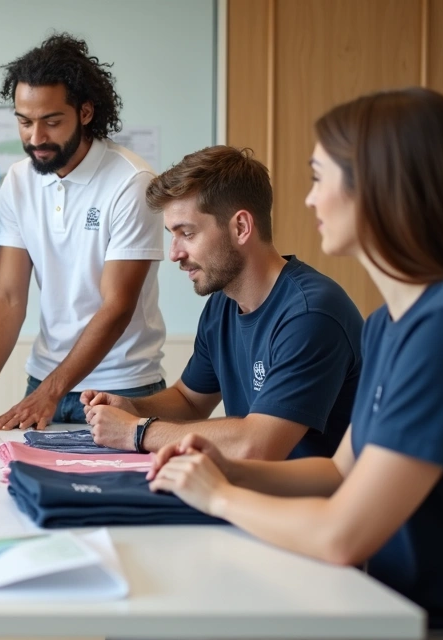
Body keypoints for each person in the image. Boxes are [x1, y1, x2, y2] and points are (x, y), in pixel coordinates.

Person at [148, 88, 443, 635]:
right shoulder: (390, 323)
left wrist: (220, 495)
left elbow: (342, 536)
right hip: (386, 606)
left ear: (382, 187)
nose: (309, 200)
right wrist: (226, 467)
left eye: (319, 178)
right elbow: (339, 472)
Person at [0, 34, 166, 430]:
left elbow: (117, 306)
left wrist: (50, 392)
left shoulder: (131, 182)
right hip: (44, 382)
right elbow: (8, 296)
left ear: (85, 112)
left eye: (51, 121)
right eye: (25, 121)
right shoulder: (18, 181)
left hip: (121, 387)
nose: (35, 138)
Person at [81, 145, 362, 459]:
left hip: (312, 491)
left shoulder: (311, 314)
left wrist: (136, 431)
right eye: (172, 235)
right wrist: (132, 408)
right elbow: (189, 401)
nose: (174, 253)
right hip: (249, 486)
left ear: (241, 227)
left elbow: (257, 445)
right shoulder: (222, 304)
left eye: (187, 233)